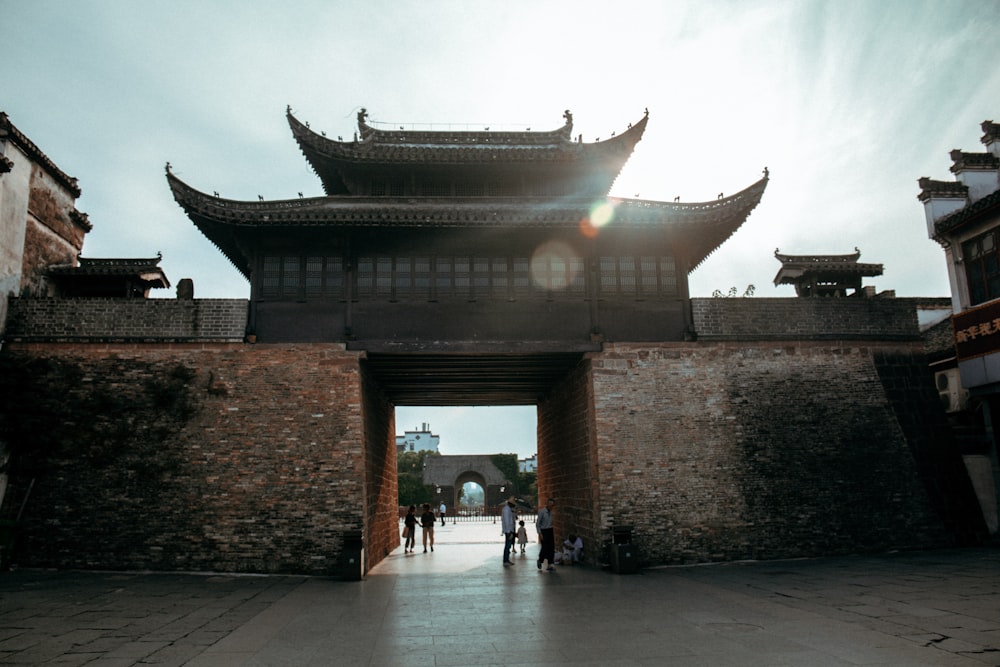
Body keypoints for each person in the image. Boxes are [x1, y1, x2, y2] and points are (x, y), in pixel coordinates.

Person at [536, 497, 555, 571]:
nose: (551, 507)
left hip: (550, 529)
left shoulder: (551, 512)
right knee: (545, 547)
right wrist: (539, 533)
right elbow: (538, 523)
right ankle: (540, 560)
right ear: (548, 504)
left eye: (553, 505)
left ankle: (550, 563)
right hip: (544, 530)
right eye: (551, 505)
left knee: (551, 547)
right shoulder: (542, 512)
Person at [501, 495, 517, 566]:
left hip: (510, 530)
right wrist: (509, 532)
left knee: (508, 545)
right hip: (508, 531)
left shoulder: (509, 509)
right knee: (507, 546)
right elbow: (507, 522)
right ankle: (505, 560)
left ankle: (507, 559)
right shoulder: (506, 510)